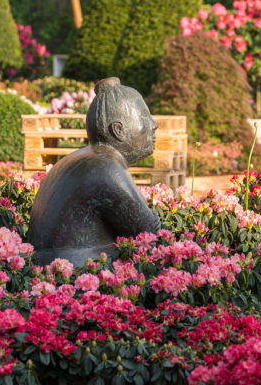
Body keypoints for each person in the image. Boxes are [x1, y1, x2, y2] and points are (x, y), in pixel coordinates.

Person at [27, 77, 161, 266]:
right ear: (118, 130)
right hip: (76, 276)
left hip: (54, 269)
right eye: (145, 117)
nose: (154, 125)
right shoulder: (107, 168)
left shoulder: (80, 158)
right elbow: (147, 232)